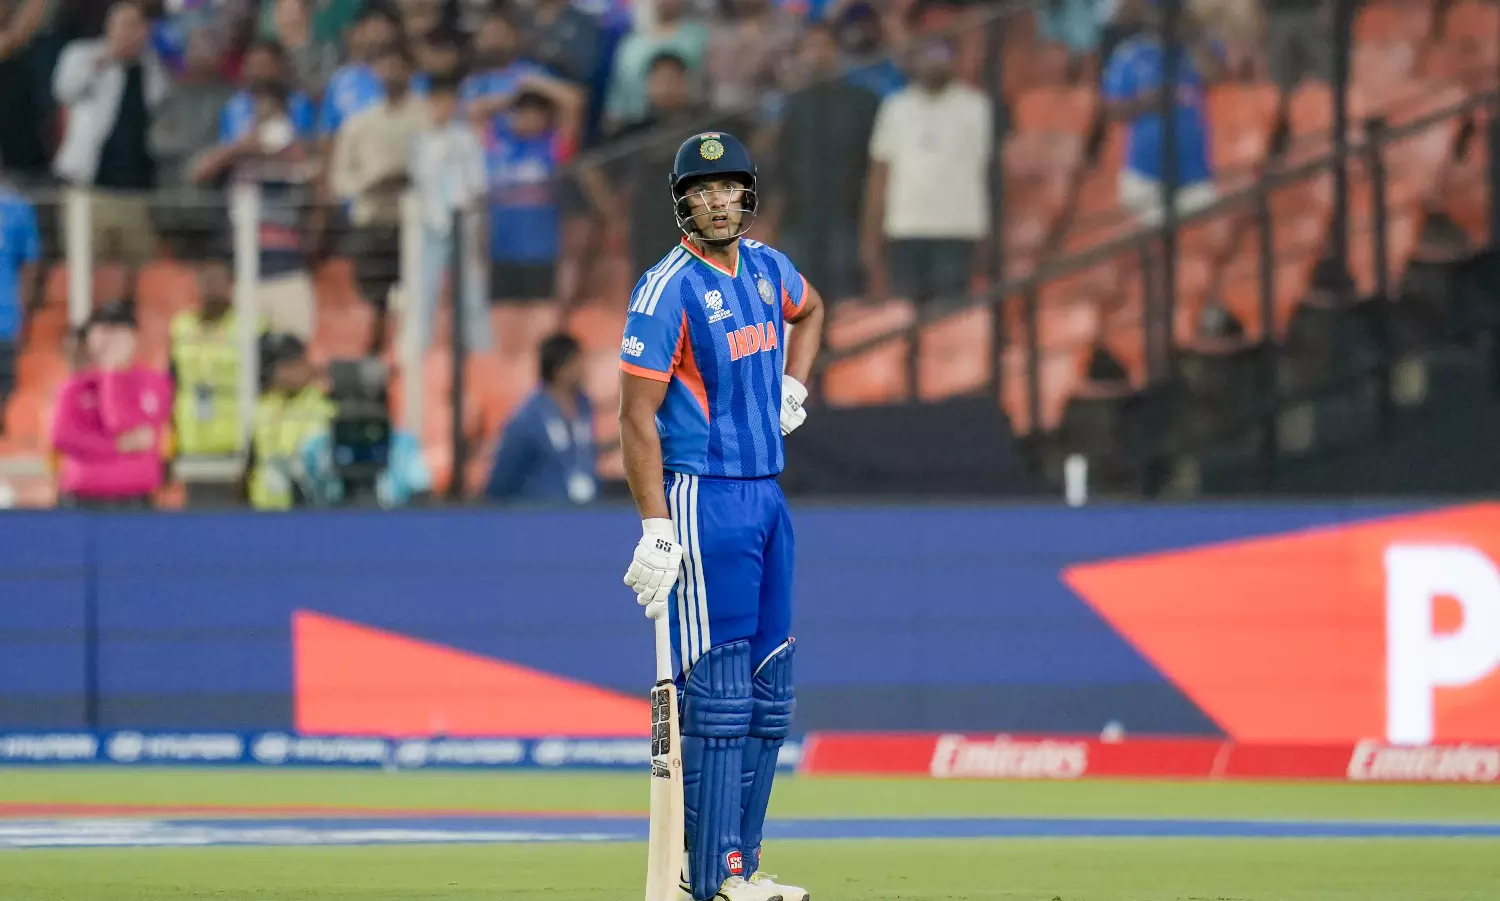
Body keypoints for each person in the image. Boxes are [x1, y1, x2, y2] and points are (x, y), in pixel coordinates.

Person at [617, 132, 825, 901]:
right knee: (720, 692)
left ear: (747, 195)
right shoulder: (664, 288)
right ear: (683, 202)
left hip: (767, 494)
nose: (717, 201)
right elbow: (634, 415)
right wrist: (654, 523)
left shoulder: (769, 269)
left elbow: (814, 309)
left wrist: (795, 385)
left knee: (770, 694)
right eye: (702, 190)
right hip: (703, 496)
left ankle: (744, 863)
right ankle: (706, 875)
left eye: (729, 188)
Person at [1102, 3, 1221, 226]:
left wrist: (1192, 36)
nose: (1164, 19)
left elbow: (1218, 75)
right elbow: (1112, 110)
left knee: (1199, 239)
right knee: (1151, 244)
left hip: (1195, 174)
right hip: (1145, 175)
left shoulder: (1196, 50)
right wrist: (1148, 102)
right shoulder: (1130, 54)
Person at [49, 301, 173, 509]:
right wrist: (116, 446)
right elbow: (62, 437)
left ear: (133, 337)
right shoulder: (74, 387)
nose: (109, 340)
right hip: (81, 498)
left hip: (135, 500)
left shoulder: (154, 383)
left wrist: (111, 375)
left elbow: (120, 424)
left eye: (117, 331)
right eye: (102, 331)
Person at [411, 73, 490, 351]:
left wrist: (479, 228)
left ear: (454, 104)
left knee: (471, 290)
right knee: (424, 291)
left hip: (463, 222)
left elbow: (478, 186)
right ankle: (419, 350)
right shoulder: (419, 141)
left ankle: (480, 349)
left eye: (446, 102)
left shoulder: (466, 139)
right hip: (429, 224)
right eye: (435, 102)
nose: (440, 108)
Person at [485, 332, 596, 504]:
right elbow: (501, 478)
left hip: (587, 512)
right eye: (576, 363)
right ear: (559, 370)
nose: (583, 369)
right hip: (539, 513)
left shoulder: (585, 407)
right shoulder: (526, 419)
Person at [244, 332, 336, 510]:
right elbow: (252, 460)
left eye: (291, 365)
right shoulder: (264, 406)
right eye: (280, 366)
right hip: (263, 507)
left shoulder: (323, 407)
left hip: (308, 506)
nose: (285, 373)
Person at [0, 174, 40, 425]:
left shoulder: (16, 208)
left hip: (4, 319)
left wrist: (22, 309)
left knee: (6, 395)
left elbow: (30, 265)